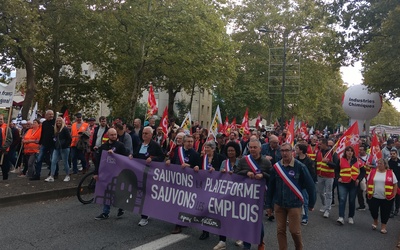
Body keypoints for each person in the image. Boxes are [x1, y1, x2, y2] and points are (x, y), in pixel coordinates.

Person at [266, 143, 316, 250]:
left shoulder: (300, 167)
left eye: (287, 150)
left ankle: (299, 247)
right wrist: (269, 205)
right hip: (279, 204)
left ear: (292, 151)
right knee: (280, 230)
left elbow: (310, 185)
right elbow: (271, 187)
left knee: (294, 231)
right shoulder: (276, 167)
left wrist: (311, 203)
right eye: (282, 151)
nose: (284, 153)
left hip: (294, 204)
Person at [235, 139, 271, 250]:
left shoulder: (266, 162)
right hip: (245, 195)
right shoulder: (243, 161)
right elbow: (236, 173)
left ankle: (260, 241)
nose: (252, 149)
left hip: (259, 197)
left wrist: (263, 175)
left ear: (260, 149)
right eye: (250, 147)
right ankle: (247, 245)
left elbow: (272, 178)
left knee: (257, 221)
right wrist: (246, 173)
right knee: (246, 220)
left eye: (255, 147)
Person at [167, 134, 200, 234]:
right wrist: (169, 161)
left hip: (187, 182)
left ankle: (178, 225)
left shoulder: (195, 154)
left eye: (191, 141)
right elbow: (174, 161)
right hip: (176, 180)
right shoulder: (178, 150)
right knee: (176, 202)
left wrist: (190, 166)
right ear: (184, 142)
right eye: (188, 141)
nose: (190, 143)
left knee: (183, 203)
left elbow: (198, 167)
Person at [194, 140, 226, 241]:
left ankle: (221, 234)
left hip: (216, 187)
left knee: (217, 210)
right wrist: (196, 167)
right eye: (205, 147)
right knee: (204, 208)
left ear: (213, 148)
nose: (206, 149)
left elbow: (223, 170)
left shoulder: (220, 158)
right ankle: (205, 231)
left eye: (208, 147)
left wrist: (215, 169)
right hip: (204, 187)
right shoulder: (202, 158)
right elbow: (197, 167)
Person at [133, 126, 165, 226]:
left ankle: (144, 216)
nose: (144, 135)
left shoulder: (155, 145)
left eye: (146, 133)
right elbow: (136, 155)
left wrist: (153, 159)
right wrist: (131, 156)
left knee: (146, 194)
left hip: (150, 173)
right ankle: (146, 213)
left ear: (151, 135)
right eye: (143, 133)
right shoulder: (140, 144)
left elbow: (161, 157)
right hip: (140, 172)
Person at [94, 128, 129, 220]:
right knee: (107, 192)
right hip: (107, 173)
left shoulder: (120, 145)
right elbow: (98, 161)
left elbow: (125, 158)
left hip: (118, 173)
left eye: (115, 134)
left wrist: (115, 154)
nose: (114, 136)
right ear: (108, 135)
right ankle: (105, 212)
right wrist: (96, 173)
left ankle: (121, 207)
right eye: (112, 135)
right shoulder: (103, 147)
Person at [213, 141, 242, 250]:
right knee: (223, 217)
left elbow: (244, 175)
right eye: (229, 150)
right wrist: (222, 173)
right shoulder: (223, 163)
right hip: (225, 193)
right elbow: (219, 177)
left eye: (232, 150)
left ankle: (239, 236)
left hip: (238, 193)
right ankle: (222, 241)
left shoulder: (241, 162)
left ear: (236, 152)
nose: (230, 152)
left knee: (237, 216)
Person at [336, 146, 365, 225]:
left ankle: (350, 216)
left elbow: (363, 172)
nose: (349, 152)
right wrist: (338, 177)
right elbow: (336, 170)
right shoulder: (341, 160)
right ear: (345, 152)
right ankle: (341, 217)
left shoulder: (358, 161)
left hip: (353, 183)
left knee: (352, 200)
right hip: (342, 183)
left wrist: (359, 179)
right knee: (342, 199)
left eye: (351, 151)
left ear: (353, 152)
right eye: (348, 151)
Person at [367, 158, 398, 234]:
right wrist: (367, 190)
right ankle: (375, 220)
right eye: (378, 163)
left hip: (386, 198)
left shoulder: (390, 173)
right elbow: (368, 181)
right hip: (374, 196)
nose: (379, 165)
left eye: (381, 163)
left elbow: (395, 184)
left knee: (385, 212)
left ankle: (383, 226)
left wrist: (394, 194)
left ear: (385, 165)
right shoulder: (373, 172)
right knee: (373, 210)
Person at [316, 138, 338, 219]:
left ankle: (327, 210)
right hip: (320, 175)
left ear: (325, 144)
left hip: (329, 176)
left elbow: (336, 165)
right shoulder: (318, 152)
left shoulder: (333, 153)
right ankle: (324, 204)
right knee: (320, 192)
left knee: (328, 193)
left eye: (321, 144)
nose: (319, 145)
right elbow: (316, 163)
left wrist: (328, 162)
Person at [295, 143, 317, 225]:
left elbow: (312, 174)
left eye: (297, 148)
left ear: (301, 150)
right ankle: (293, 217)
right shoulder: (295, 159)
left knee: (305, 201)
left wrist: (309, 183)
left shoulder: (309, 161)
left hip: (304, 185)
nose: (295, 150)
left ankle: (305, 217)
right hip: (296, 183)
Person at [45, 117, 72, 182]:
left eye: (60, 121)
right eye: (57, 121)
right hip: (57, 147)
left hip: (64, 148)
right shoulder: (55, 129)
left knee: (65, 162)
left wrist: (65, 145)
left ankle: (67, 175)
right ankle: (51, 176)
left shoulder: (65, 129)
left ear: (62, 122)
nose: (58, 122)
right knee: (53, 161)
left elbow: (69, 139)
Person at [31, 110, 55, 181]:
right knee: (39, 159)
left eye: (52, 114)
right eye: (49, 114)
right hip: (44, 144)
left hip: (52, 144)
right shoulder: (44, 123)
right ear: (46, 115)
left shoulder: (55, 122)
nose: (51, 116)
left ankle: (53, 173)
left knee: (52, 160)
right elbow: (42, 134)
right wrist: (40, 143)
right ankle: (37, 175)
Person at [357, 143, 375, 210]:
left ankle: (370, 204)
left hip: (368, 177)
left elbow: (375, 166)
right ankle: (362, 205)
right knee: (359, 192)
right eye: (359, 150)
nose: (360, 151)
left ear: (365, 151)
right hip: (360, 177)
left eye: (361, 150)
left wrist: (370, 166)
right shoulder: (357, 157)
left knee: (368, 192)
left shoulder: (370, 158)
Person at [0, 115, 13, 180]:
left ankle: (5, 178)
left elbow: (9, 139)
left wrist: (3, 148)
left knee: (4, 166)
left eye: (1, 119)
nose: (0, 120)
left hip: (3, 151)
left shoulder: (6, 128)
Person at [388, 148, 400, 217]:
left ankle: (397, 209)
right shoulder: (389, 162)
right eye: (391, 154)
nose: (392, 155)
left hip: (398, 181)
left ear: (396, 154)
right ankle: (391, 210)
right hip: (391, 181)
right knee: (391, 195)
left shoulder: (399, 161)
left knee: (398, 196)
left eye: (394, 154)